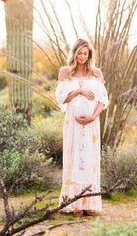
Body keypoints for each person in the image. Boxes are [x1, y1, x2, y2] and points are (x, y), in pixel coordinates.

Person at [55, 38, 108, 216]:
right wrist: (78, 91)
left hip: (91, 124)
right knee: (74, 158)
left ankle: (90, 203)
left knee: (89, 159)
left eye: (86, 53)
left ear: (89, 55)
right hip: (72, 123)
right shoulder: (65, 72)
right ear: (74, 53)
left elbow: (102, 100)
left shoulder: (96, 73)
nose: (83, 56)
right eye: (80, 53)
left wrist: (93, 116)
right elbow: (61, 98)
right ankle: (74, 203)